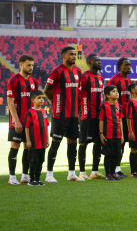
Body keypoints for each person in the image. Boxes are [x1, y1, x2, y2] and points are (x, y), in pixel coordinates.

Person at [44, 47, 83, 182]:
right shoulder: (57, 71)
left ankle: (71, 173)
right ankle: (49, 174)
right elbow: (47, 90)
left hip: (73, 115)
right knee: (56, 143)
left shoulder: (78, 71)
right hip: (60, 114)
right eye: (71, 54)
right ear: (63, 56)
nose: (73, 56)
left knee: (73, 143)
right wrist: (55, 102)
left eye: (75, 54)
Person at [7, 55, 38, 185]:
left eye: (32, 65)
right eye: (28, 65)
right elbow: (10, 102)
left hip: (30, 122)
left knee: (28, 146)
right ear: (20, 65)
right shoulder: (14, 81)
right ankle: (12, 177)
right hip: (17, 120)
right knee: (15, 145)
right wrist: (17, 120)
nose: (30, 67)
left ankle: (25, 175)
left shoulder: (34, 82)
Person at [78, 54, 105, 180]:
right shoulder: (84, 77)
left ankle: (95, 171)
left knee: (98, 142)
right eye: (96, 60)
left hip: (98, 115)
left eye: (99, 60)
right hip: (86, 114)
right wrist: (79, 114)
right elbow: (78, 96)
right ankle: (82, 172)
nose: (99, 62)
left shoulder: (101, 78)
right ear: (89, 62)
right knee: (84, 142)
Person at [107, 58, 132, 178]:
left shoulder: (129, 81)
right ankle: (112, 169)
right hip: (116, 116)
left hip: (127, 116)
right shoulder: (114, 80)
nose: (128, 67)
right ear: (119, 67)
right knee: (116, 143)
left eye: (129, 65)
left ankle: (117, 168)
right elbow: (107, 97)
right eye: (126, 65)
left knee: (123, 142)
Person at [24, 90, 49, 186]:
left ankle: (38, 179)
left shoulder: (43, 112)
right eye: (39, 98)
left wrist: (47, 139)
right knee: (33, 160)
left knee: (41, 160)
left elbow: (46, 126)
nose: (42, 99)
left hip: (42, 142)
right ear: (33, 100)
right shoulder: (30, 113)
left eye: (42, 97)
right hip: (34, 142)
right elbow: (26, 127)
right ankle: (32, 180)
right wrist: (28, 140)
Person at [99, 85, 125, 180]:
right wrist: (101, 134)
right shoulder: (104, 106)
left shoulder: (119, 106)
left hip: (117, 135)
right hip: (108, 134)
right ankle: (108, 174)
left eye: (117, 90)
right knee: (109, 155)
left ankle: (113, 173)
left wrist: (122, 135)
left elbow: (121, 121)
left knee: (116, 154)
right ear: (107, 95)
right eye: (113, 91)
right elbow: (101, 120)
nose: (116, 92)